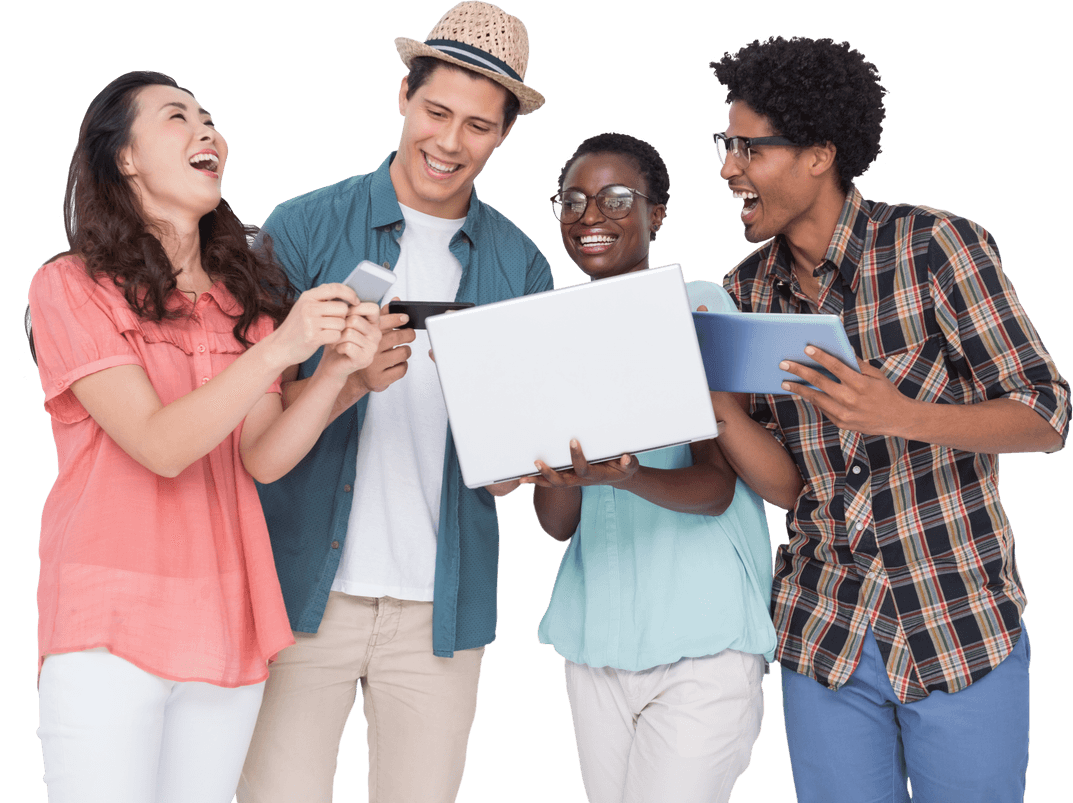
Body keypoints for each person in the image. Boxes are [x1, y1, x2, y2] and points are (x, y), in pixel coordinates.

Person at [707, 36, 1070, 802]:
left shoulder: (935, 248)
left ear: (819, 153)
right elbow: (790, 487)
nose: (729, 167)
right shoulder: (745, 294)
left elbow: (1046, 410)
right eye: (724, 143)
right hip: (828, 634)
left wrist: (901, 413)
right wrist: (717, 409)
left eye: (749, 147)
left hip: (956, 622)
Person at [29, 71, 383, 803]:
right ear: (124, 158)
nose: (208, 131)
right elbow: (159, 443)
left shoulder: (243, 301)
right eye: (176, 117)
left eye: (211, 120)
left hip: (225, 624)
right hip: (108, 627)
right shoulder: (68, 287)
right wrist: (282, 349)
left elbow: (260, 455)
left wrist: (342, 381)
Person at [235, 4, 553, 801]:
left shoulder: (521, 263)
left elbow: (511, 465)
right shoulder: (301, 228)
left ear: (505, 135)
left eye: (478, 126)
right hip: (301, 594)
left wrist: (537, 457)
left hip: (440, 613)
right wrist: (345, 375)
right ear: (403, 96)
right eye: (437, 111)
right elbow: (249, 415)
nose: (450, 143)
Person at [523, 132, 795, 803]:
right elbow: (557, 523)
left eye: (617, 198)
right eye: (574, 201)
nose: (592, 217)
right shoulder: (548, 334)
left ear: (658, 214)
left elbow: (715, 487)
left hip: (701, 646)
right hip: (594, 646)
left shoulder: (699, 304)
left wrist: (628, 476)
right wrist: (561, 474)